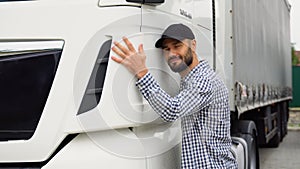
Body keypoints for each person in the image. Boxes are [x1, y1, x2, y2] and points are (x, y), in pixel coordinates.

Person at [111, 23, 238, 169]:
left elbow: (172, 110)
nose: (171, 53)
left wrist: (141, 72)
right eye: (166, 49)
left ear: (193, 45)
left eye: (177, 46)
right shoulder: (189, 80)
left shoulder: (204, 80)